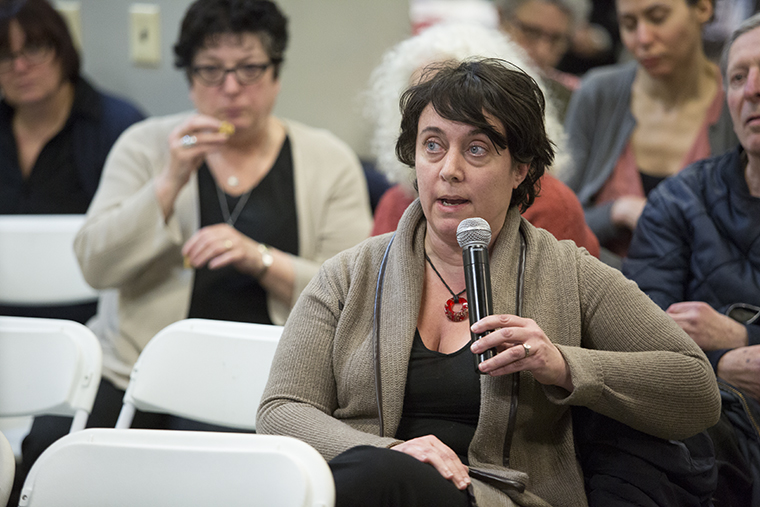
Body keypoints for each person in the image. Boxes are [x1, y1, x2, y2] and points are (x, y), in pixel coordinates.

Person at [257, 58, 720, 507]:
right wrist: (393, 450)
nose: (449, 168)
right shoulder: (349, 274)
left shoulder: (567, 273)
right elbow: (280, 410)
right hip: (372, 481)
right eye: (433, 145)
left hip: (502, 496)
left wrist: (562, 365)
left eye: (476, 148)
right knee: (370, 478)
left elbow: (697, 388)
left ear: (521, 168)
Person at [623, 14, 760, 504]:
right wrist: (725, 363)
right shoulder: (682, 199)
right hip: (709, 413)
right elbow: (640, 339)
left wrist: (743, 335)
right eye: (739, 77)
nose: (752, 91)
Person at [367, 23, 600, 258]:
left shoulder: (550, 203)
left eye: (476, 148)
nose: (435, 107)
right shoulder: (394, 203)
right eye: (433, 144)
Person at [0, 0, 144, 323]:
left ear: (62, 49)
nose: (20, 67)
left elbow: (137, 241)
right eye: (5, 56)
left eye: (34, 49)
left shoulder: (119, 129)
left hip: (92, 323)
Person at [563, 0, 738, 266]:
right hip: (597, 291)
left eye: (657, 18)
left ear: (703, 8)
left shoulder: (737, 105)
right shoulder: (598, 94)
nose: (643, 39)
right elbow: (555, 219)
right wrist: (617, 212)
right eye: (629, 24)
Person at [495, 0, 591, 118]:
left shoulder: (575, 95)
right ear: (501, 19)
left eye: (556, 39)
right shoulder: (469, 79)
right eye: (531, 32)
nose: (542, 51)